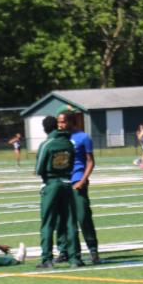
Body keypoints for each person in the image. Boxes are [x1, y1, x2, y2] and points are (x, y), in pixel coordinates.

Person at [35, 115, 80, 269]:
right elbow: (72, 163)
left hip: (51, 184)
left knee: (48, 222)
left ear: (45, 129)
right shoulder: (69, 143)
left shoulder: (47, 144)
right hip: (67, 183)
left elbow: (39, 168)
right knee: (70, 222)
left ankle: (47, 258)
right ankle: (74, 258)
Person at [57, 108, 100, 264]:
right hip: (62, 183)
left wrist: (82, 180)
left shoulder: (83, 137)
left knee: (83, 217)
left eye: (63, 122)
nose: (60, 125)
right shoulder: (59, 138)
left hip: (77, 181)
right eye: (58, 122)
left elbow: (90, 161)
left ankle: (93, 250)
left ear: (71, 121)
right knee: (63, 219)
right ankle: (64, 251)